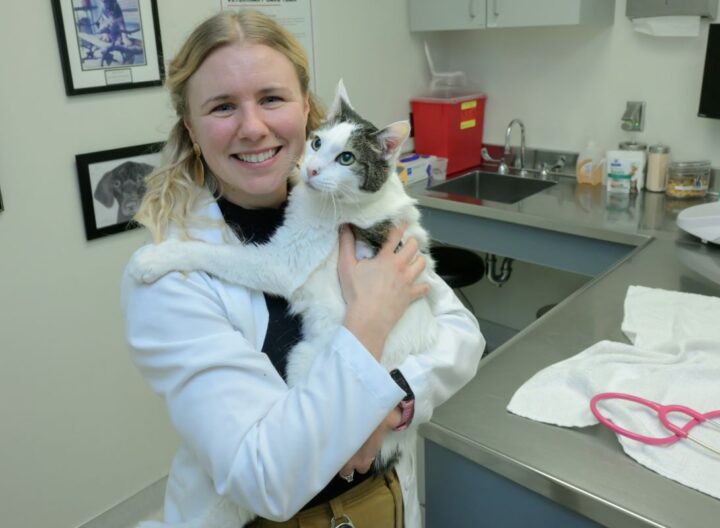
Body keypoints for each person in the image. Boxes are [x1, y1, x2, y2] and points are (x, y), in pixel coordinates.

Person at [121, 10, 485, 528]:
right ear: (192, 129)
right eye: (223, 106)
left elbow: (461, 335)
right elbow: (267, 477)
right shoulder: (166, 278)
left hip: (382, 504)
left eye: (271, 98)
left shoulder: (362, 205)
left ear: (308, 110)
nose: (253, 127)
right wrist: (369, 322)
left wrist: (392, 405)